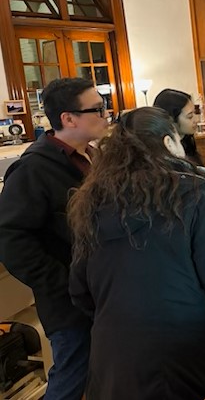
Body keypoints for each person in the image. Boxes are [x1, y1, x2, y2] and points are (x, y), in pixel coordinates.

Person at [67, 107, 205, 399]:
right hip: (190, 359)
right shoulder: (194, 197)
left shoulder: (93, 203)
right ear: (168, 143)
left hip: (114, 363)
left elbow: (80, 291)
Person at [0, 77, 109, 399]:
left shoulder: (93, 157)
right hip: (69, 303)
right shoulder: (33, 170)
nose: (106, 116)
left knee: (102, 369)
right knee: (73, 374)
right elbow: (10, 237)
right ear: (68, 118)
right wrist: (64, 282)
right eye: (98, 110)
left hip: (104, 293)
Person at [153, 88, 202, 165]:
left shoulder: (187, 142)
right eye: (190, 116)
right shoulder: (162, 157)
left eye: (195, 113)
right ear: (171, 119)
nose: (197, 120)